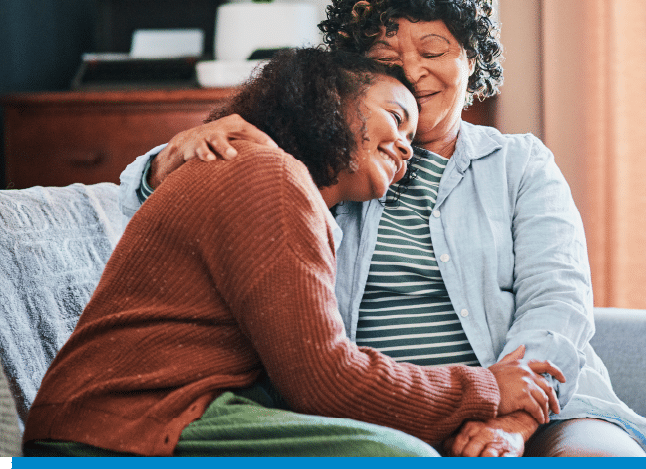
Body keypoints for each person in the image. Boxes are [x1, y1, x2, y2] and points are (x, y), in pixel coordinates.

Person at [119, 0, 646, 457]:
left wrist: (513, 421)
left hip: (533, 411)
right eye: (387, 59)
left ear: (472, 59)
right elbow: (183, 196)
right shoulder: (322, 156)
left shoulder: (520, 165)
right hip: (375, 414)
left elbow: (559, 306)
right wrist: (167, 160)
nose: (413, 71)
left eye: (433, 51)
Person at [22, 48, 566, 457]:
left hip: (164, 411)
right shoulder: (269, 176)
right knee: (400, 458)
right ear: (331, 101)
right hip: (119, 423)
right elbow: (325, 380)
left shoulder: (286, 185)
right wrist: (486, 387)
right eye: (394, 117)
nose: (406, 145)